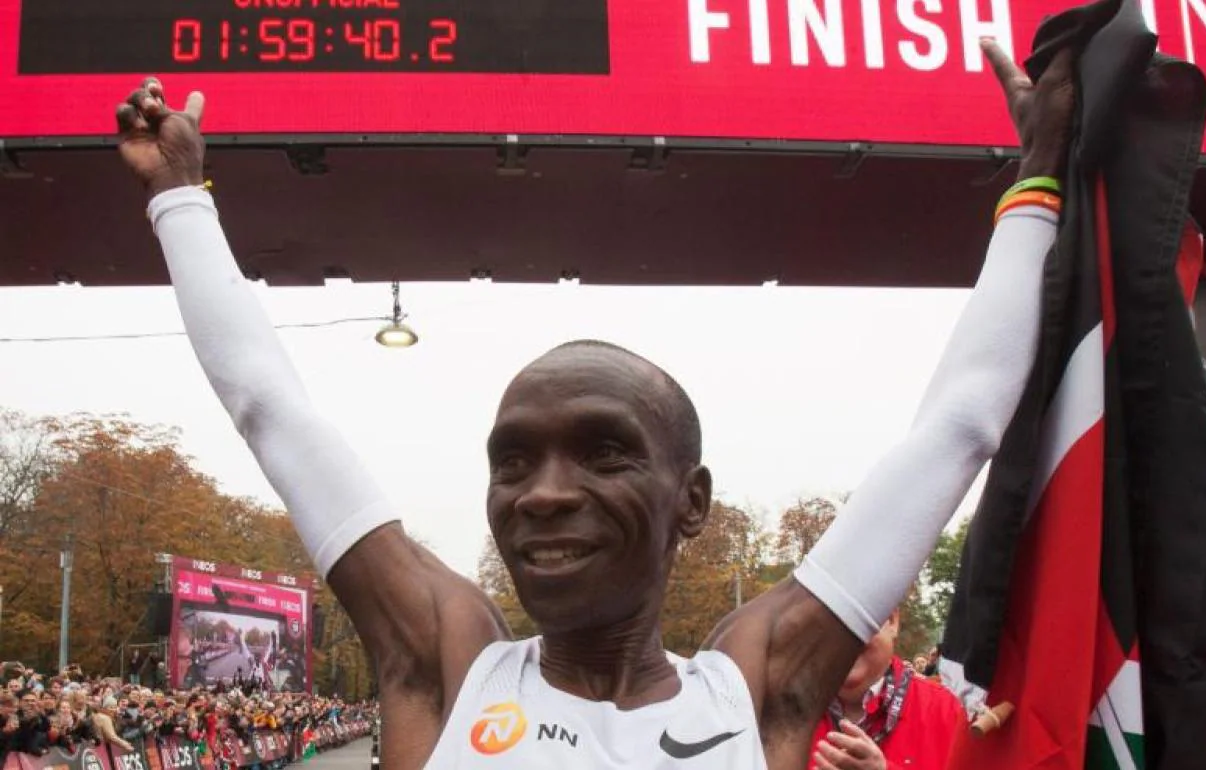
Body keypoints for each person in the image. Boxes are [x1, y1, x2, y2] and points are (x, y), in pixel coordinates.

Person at [112, 37, 1072, 768]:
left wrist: (1038, 185)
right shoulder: (449, 666)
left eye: (604, 452)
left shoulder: (753, 690)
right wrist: (181, 202)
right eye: (512, 460)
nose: (541, 494)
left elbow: (959, 428)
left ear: (690, 501)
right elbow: (273, 414)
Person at [807, 611, 965, 770]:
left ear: (892, 621)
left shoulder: (952, 713)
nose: (840, 636)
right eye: (825, 618)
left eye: (855, 617)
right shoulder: (784, 708)